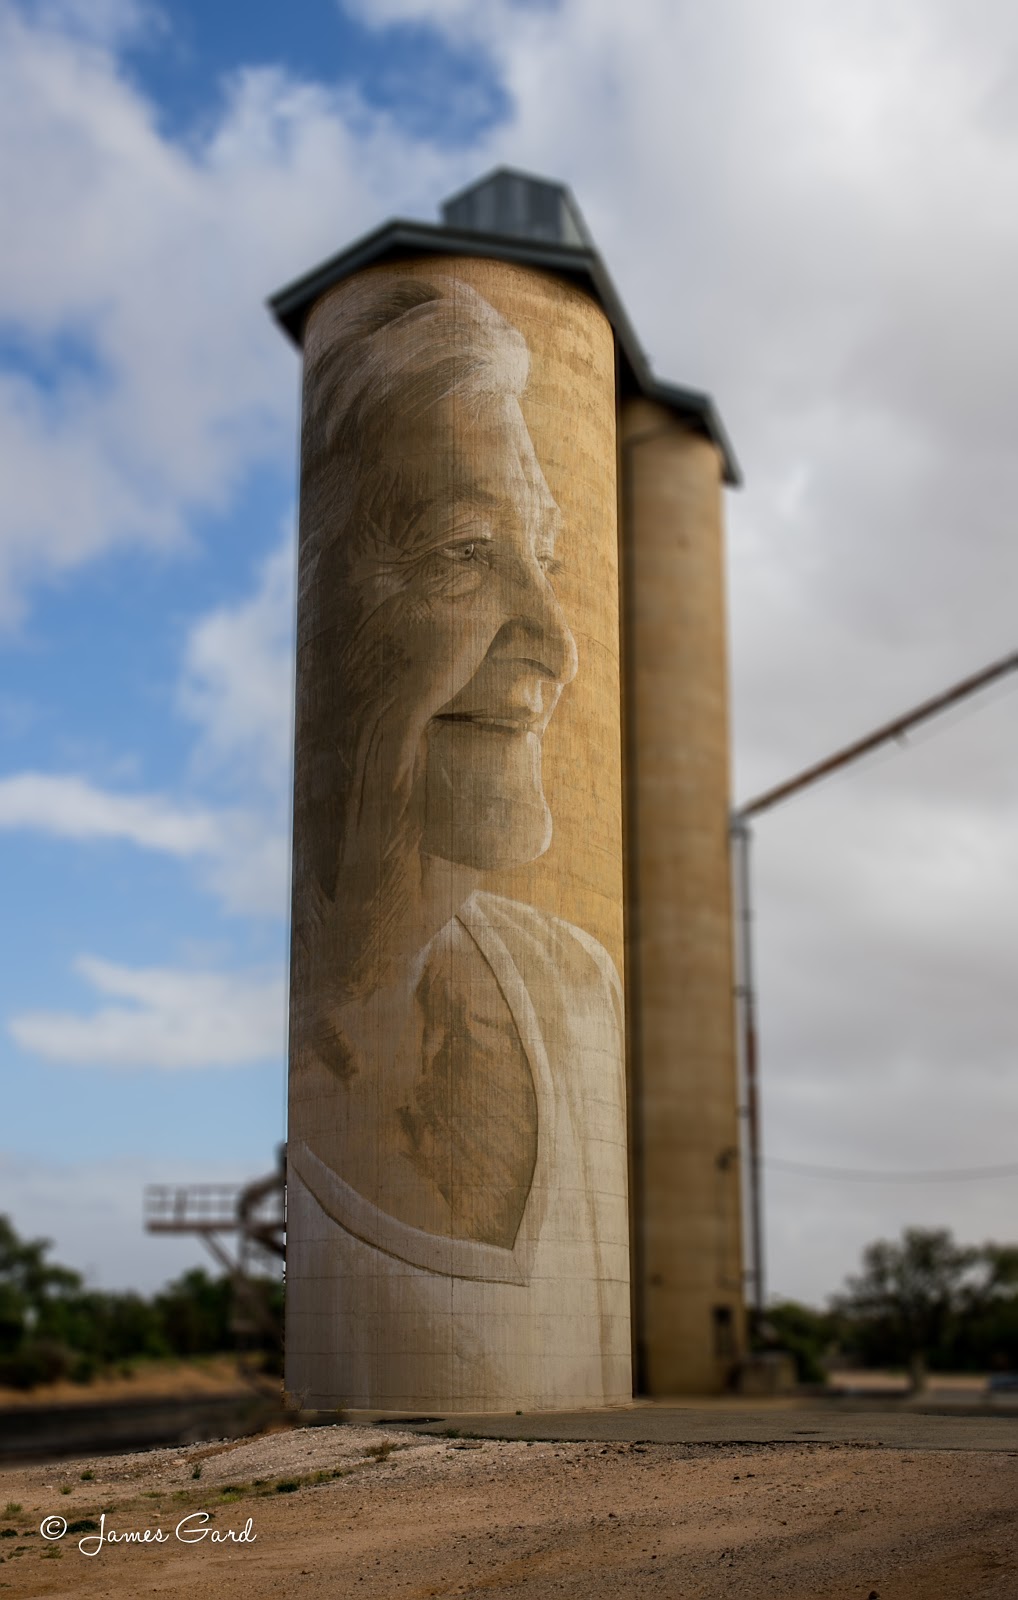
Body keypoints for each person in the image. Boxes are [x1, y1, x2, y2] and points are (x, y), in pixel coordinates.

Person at [286, 273, 630, 1409]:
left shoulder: (573, 989)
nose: (554, 643)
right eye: (466, 551)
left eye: (548, 555)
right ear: (321, 608)